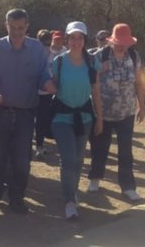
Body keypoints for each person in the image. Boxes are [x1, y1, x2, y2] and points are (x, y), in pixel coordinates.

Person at [0, 8, 56, 214]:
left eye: (21, 28)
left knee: (21, 160)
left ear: (27, 27)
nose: (17, 32)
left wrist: (49, 84)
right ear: (6, 26)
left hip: (25, 113)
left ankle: (17, 199)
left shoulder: (37, 49)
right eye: (13, 28)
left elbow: (43, 75)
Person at [87, 23, 145, 201]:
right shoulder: (99, 56)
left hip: (126, 112)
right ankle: (95, 178)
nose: (122, 45)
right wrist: (98, 116)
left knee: (126, 151)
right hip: (103, 111)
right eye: (119, 42)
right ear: (112, 41)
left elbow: (138, 83)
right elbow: (94, 87)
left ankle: (128, 187)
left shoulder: (134, 57)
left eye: (125, 42)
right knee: (100, 148)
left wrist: (142, 105)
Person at [51, 21, 103, 220]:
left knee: (79, 158)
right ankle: (69, 201)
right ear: (67, 39)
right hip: (62, 116)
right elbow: (52, 85)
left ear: (84, 39)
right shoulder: (59, 62)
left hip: (85, 117)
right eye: (72, 37)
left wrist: (100, 119)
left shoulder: (92, 62)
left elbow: (96, 91)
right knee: (69, 158)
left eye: (80, 37)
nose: (76, 41)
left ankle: (71, 192)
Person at [35, 29, 54, 158]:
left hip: (47, 95)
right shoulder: (32, 56)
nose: (46, 47)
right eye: (43, 44)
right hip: (32, 93)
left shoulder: (55, 58)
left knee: (42, 120)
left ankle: (39, 145)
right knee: (30, 121)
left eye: (48, 44)